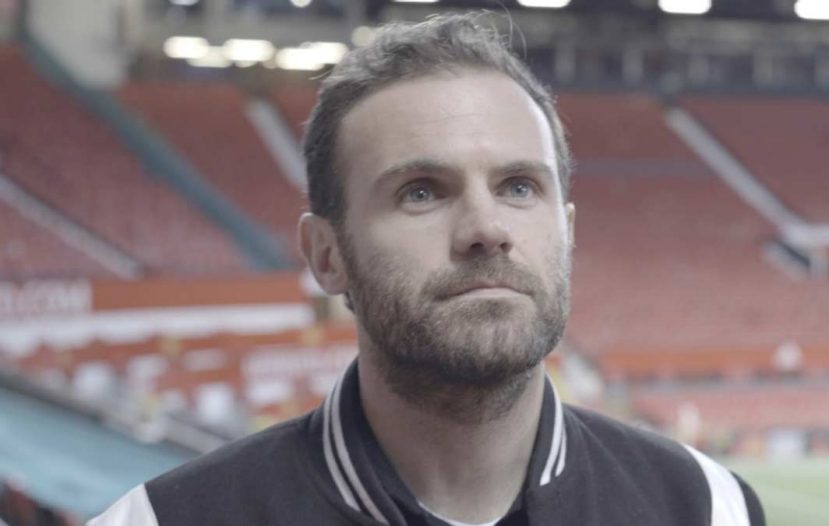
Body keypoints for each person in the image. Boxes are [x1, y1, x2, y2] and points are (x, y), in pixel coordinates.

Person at [89, 12, 765, 526]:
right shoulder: (160, 521)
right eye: (421, 192)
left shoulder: (703, 507)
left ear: (568, 230)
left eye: (519, 187)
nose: (486, 229)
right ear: (326, 255)